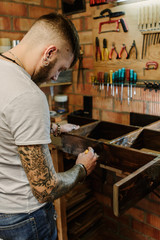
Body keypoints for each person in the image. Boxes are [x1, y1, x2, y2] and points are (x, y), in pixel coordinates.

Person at [0, 13, 98, 240]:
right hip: (26, 220)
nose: (56, 78)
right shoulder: (28, 95)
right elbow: (46, 188)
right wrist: (81, 169)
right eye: (60, 68)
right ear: (49, 52)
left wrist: (50, 127)